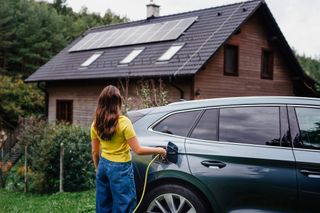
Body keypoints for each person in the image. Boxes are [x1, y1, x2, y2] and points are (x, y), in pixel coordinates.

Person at [91, 85, 166, 213]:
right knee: (124, 206)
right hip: (120, 169)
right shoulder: (124, 122)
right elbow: (138, 150)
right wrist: (160, 150)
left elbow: (94, 152)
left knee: (103, 205)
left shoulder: (95, 124)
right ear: (118, 102)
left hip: (103, 165)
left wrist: (99, 167)